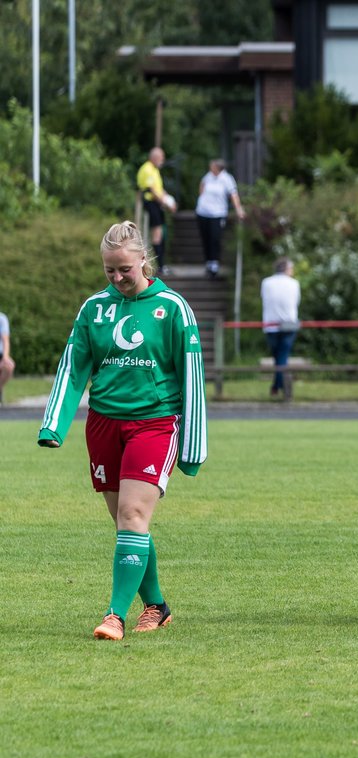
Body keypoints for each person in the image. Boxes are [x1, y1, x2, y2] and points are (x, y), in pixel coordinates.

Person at [36, 221, 207, 640]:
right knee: (128, 525)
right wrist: (54, 423)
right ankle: (157, 606)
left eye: (124, 270)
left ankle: (114, 615)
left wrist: (193, 446)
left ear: (143, 261)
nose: (117, 278)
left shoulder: (173, 307)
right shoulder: (94, 309)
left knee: (133, 515)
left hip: (154, 423)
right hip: (103, 425)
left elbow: (191, 376)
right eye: (109, 271)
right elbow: (74, 366)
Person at [194, 158, 246, 278]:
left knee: (215, 237)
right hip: (203, 212)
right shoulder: (208, 176)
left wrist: (238, 209)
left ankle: (214, 263)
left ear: (218, 168)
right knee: (205, 237)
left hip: (217, 213)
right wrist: (201, 199)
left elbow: (233, 195)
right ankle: (208, 262)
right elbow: (202, 185)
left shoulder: (227, 179)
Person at [261, 257, 301, 398]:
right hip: (289, 323)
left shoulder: (266, 283)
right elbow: (296, 302)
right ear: (286, 269)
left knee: (278, 357)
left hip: (271, 324)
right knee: (282, 357)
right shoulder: (294, 284)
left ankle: (276, 387)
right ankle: (280, 387)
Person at [136, 147, 177, 277]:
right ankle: (159, 265)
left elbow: (159, 189)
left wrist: (169, 199)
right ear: (154, 157)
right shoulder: (147, 169)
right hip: (152, 203)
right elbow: (152, 191)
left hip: (156, 203)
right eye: (161, 157)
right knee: (157, 234)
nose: (163, 160)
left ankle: (161, 265)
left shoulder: (154, 170)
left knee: (160, 233)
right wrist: (165, 203)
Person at [0, 309, 12, 404]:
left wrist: (5, 357)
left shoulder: (2, 318)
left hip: (0, 354)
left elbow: (5, 340)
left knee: (9, 366)